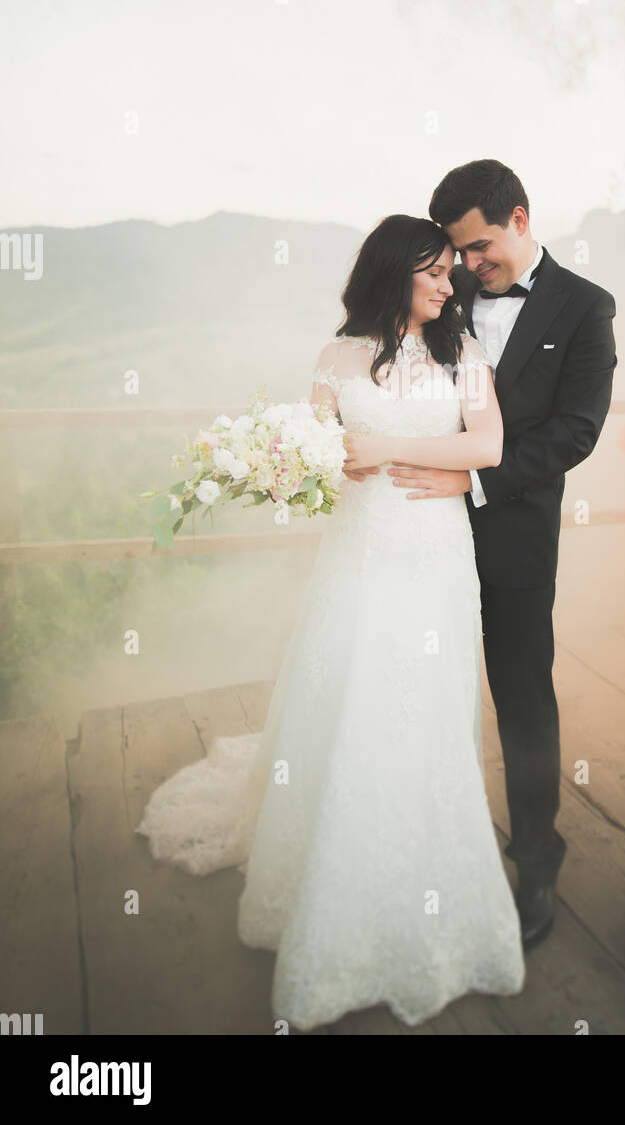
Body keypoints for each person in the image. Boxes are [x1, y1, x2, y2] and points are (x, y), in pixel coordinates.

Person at [135, 214, 525, 1031]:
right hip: (360, 550)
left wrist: (390, 448)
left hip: (433, 552)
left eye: (451, 268)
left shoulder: (465, 354)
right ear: (393, 271)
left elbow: (487, 444)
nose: (446, 282)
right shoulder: (336, 356)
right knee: (352, 690)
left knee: (422, 702)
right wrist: (284, 461)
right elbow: (317, 445)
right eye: (432, 269)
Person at [364, 161, 617, 950]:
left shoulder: (586, 307)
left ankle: (535, 859)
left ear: (519, 216)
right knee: (406, 677)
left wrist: (468, 482)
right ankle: (402, 849)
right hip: (414, 528)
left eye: (478, 248)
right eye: (458, 254)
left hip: (511, 531)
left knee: (519, 691)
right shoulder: (446, 287)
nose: (469, 268)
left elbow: (576, 431)